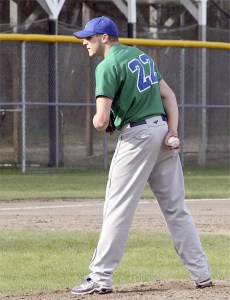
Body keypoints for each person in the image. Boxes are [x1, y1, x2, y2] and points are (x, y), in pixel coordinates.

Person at [71, 16, 212, 295]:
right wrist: (172, 131)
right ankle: (203, 274)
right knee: (176, 208)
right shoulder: (140, 56)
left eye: (89, 37)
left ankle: (99, 277)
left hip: (137, 137)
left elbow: (101, 121)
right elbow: (169, 96)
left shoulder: (107, 65)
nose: (84, 41)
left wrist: (100, 123)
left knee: (118, 207)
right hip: (161, 132)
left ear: (105, 38)